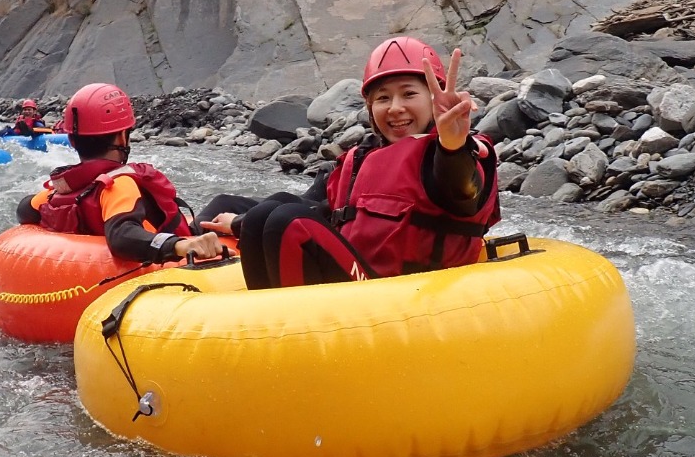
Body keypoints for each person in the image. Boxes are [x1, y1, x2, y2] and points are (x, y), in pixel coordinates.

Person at [207, 37, 499, 290]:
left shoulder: (455, 151)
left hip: (415, 294)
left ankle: (294, 340)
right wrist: (239, 223)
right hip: (362, 285)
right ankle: (267, 334)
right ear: (371, 109)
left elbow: (463, 189)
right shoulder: (362, 158)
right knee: (266, 214)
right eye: (383, 98)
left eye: (409, 93)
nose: (395, 108)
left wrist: (452, 144)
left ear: (435, 98)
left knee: (290, 222)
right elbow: (322, 209)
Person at [15, 83, 225, 263]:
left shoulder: (59, 191)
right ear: (121, 139)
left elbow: (25, 210)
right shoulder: (117, 184)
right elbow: (122, 236)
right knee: (224, 201)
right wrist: (180, 245)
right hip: (172, 252)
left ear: (71, 141)